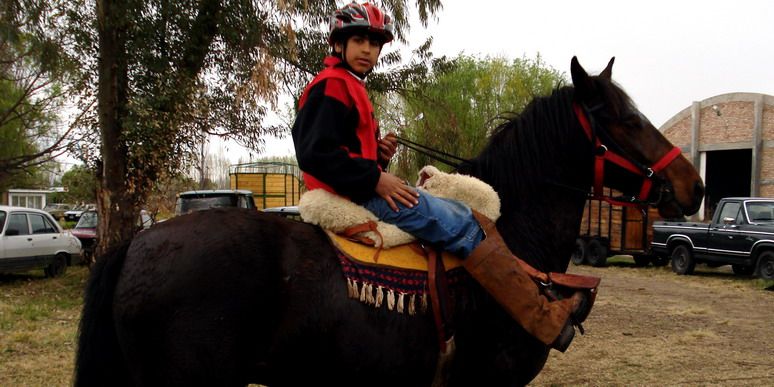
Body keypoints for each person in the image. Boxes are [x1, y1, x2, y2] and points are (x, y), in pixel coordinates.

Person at [292, 2, 589, 352]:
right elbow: (315, 153)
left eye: (375, 44)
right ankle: (542, 316)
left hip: (358, 186)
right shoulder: (333, 86)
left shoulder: (348, 85)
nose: (368, 50)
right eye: (359, 41)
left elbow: (343, 151)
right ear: (338, 44)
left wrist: (377, 156)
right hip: (354, 194)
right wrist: (375, 178)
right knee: (464, 221)